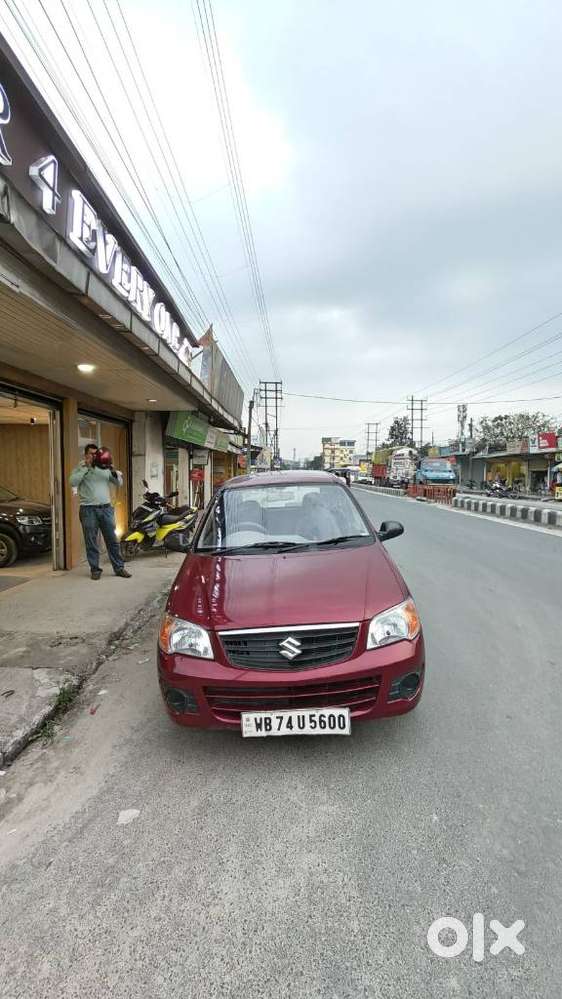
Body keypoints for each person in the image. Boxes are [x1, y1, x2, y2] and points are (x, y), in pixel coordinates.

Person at [70, 444, 131, 580]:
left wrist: (113, 470)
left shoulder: (103, 467)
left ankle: (119, 568)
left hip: (106, 508)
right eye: (91, 454)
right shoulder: (80, 467)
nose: (94, 456)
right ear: (85, 455)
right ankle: (95, 569)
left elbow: (118, 482)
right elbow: (73, 482)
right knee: (91, 541)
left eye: (95, 454)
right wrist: (85, 467)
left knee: (112, 540)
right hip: (88, 509)